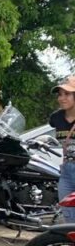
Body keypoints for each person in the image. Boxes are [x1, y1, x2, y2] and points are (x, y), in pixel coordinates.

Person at [50, 75, 75, 222]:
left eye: (67, 94)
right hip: (66, 171)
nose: (62, 98)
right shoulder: (56, 118)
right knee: (69, 216)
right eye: (60, 94)